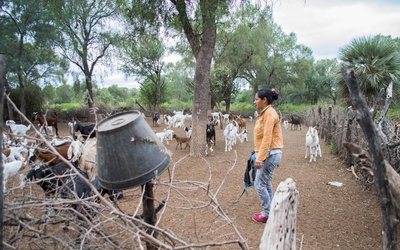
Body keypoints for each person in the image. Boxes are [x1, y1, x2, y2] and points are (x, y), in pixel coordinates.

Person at [251, 88, 284, 223]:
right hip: (270, 152)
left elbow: (267, 137)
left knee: (259, 184)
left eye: (257, 99)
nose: (255, 102)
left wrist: (260, 157)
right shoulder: (266, 113)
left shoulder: (269, 114)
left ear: (264, 100)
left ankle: (267, 213)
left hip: (270, 153)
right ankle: (272, 211)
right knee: (266, 182)